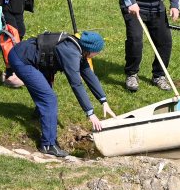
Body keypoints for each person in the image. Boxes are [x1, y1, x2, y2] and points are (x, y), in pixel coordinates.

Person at [6, 30, 116, 158]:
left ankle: (40, 114)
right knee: (49, 99)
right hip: (22, 60)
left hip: (33, 58)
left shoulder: (78, 48)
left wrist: (104, 101)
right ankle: (48, 145)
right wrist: (90, 113)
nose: (99, 53)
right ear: (90, 49)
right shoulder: (71, 53)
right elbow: (76, 84)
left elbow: (88, 74)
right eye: (98, 51)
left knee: (46, 93)